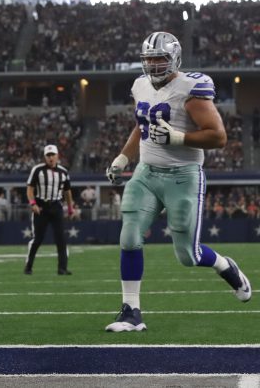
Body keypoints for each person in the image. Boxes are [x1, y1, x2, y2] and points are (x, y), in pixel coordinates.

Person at [105, 31, 251, 332]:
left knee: (188, 255)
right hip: (146, 173)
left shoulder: (191, 87)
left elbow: (218, 136)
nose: (154, 65)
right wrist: (122, 158)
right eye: (149, 59)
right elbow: (141, 127)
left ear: (175, 58)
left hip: (182, 176)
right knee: (129, 234)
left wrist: (179, 137)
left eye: (160, 58)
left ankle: (226, 267)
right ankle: (131, 312)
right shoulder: (140, 84)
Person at [24, 144, 74, 275]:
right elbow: (30, 188)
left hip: (56, 206)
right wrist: (33, 203)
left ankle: (62, 268)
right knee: (38, 238)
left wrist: (70, 208)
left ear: (58, 156)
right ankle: (28, 266)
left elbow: (67, 192)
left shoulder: (63, 172)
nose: (51, 158)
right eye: (48, 155)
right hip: (41, 206)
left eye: (53, 155)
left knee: (61, 238)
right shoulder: (37, 170)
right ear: (45, 157)